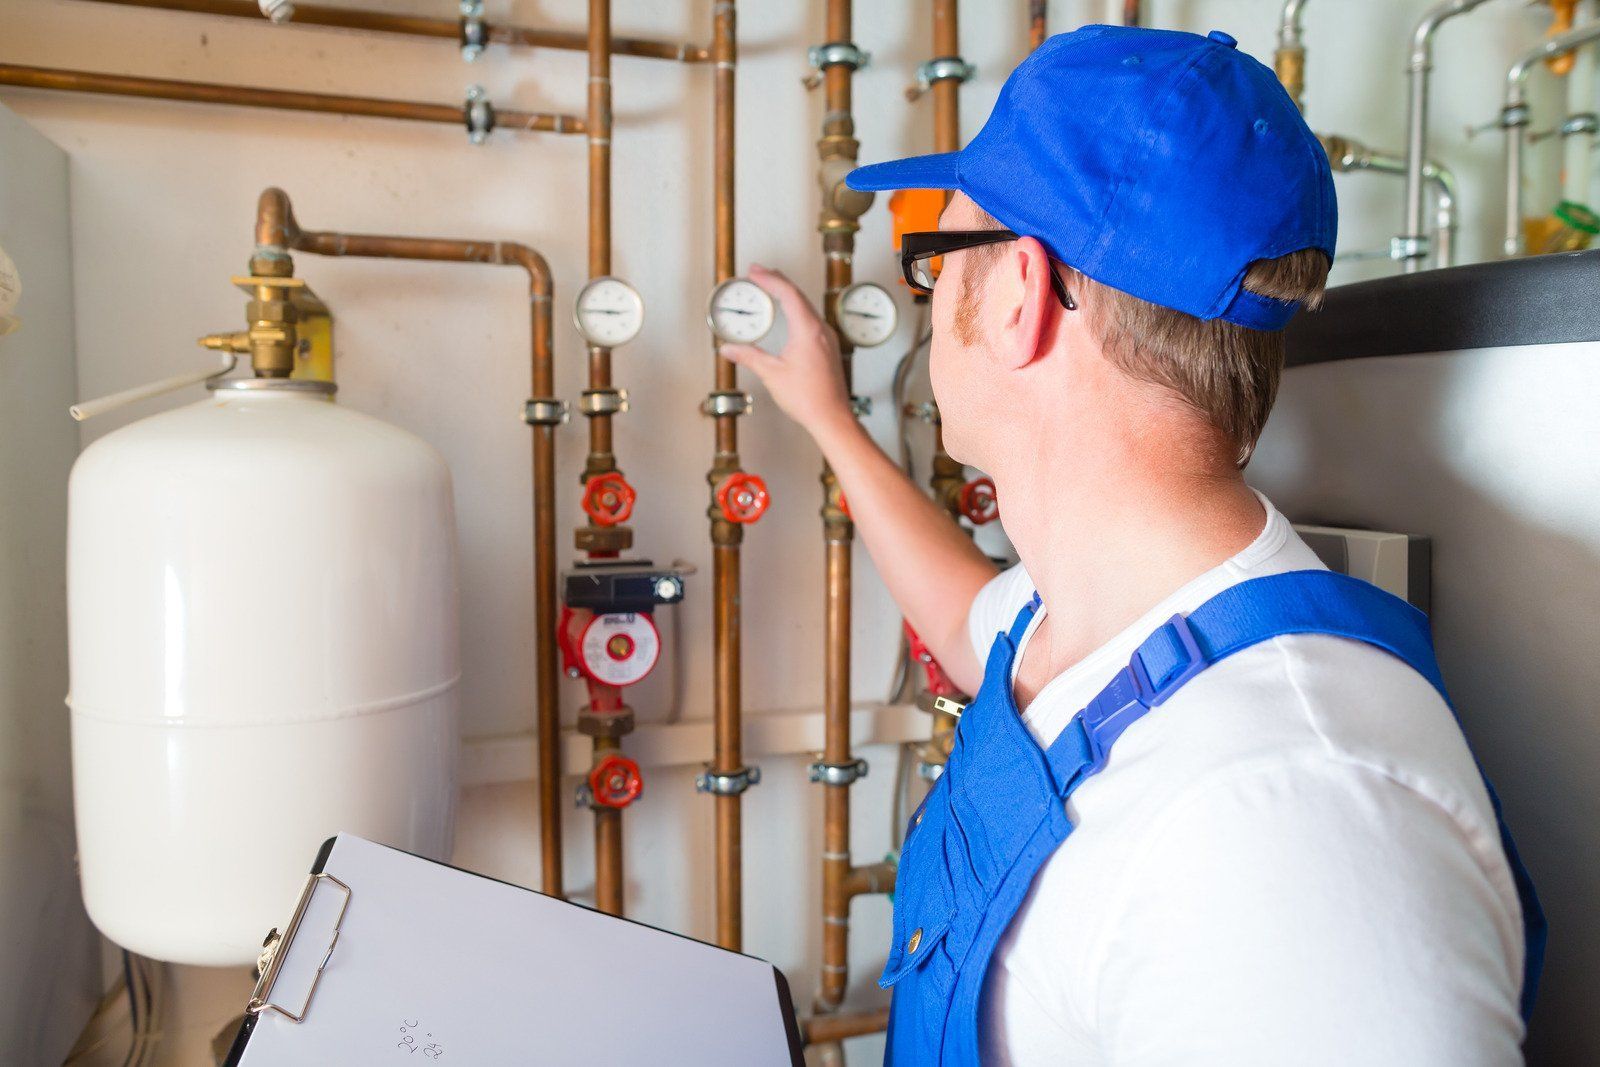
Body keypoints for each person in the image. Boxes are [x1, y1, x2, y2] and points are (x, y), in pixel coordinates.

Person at [720, 24, 1541, 1067]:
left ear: (1019, 293)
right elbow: (975, 624)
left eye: (933, 259)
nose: (930, 301)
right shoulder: (1096, 618)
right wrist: (828, 417)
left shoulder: (1283, 824)